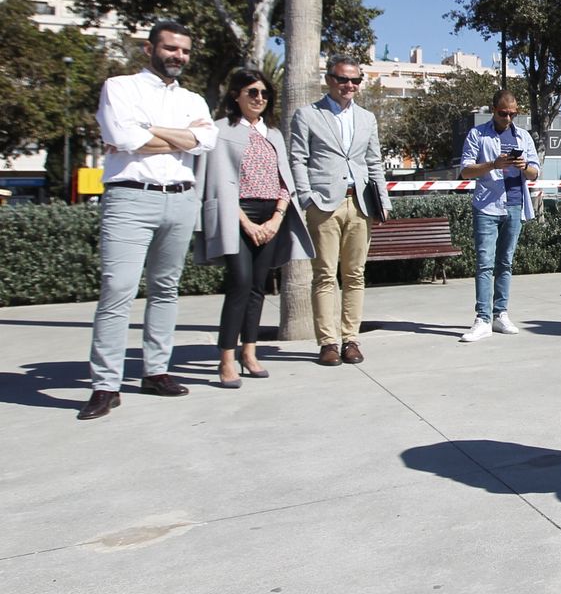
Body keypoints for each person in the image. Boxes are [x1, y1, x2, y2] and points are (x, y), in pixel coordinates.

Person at [78, 21, 217, 421]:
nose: (179, 56)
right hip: (130, 199)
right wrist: (178, 137)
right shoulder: (119, 87)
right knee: (117, 289)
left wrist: (149, 130)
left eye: (185, 51)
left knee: (165, 289)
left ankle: (156, 371)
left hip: (180, 199)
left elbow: (205, 141)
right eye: (171, 48)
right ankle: (105, 384)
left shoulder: (193, 99)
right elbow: (123, 138)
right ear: (149, 49)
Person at [195, 68, 314, 386]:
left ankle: (249, 353)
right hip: (236, 215)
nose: (259, 98)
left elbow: (284, 181)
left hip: (270, 214)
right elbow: (218, 184)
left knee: (258, 288)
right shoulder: (220, 131)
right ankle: (226, 360)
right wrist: (246, 223)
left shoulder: (273, 133)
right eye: (252, 92)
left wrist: (276, 218)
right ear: (236, 95)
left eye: (264, 93)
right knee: (239, 285)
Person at [288, 54, 390, 367]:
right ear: (329, 79)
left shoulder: (367, 118)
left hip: (359, 204)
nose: (349, 85)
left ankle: (351, 339)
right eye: (343, 79)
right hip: (324, 205)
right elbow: (297, 159)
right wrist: (306, 197)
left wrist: (382, 202)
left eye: (355, 80)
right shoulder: (307, 115)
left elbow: (374, 162)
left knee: (355, 275)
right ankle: (328, 342)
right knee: (324, 276)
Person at [458, 90, 541, 343]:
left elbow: (535, 172)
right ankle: (482, 319)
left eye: (513, 113)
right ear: (493, 110)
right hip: (487, 206)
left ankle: (500, 313)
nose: (508, 118)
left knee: (505, 262)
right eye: (503, 113)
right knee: (485, 262)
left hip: (515, 205)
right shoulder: (477, 134)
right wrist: (493, 164)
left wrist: (523, 167)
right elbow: (465, 171)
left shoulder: (523, 136)